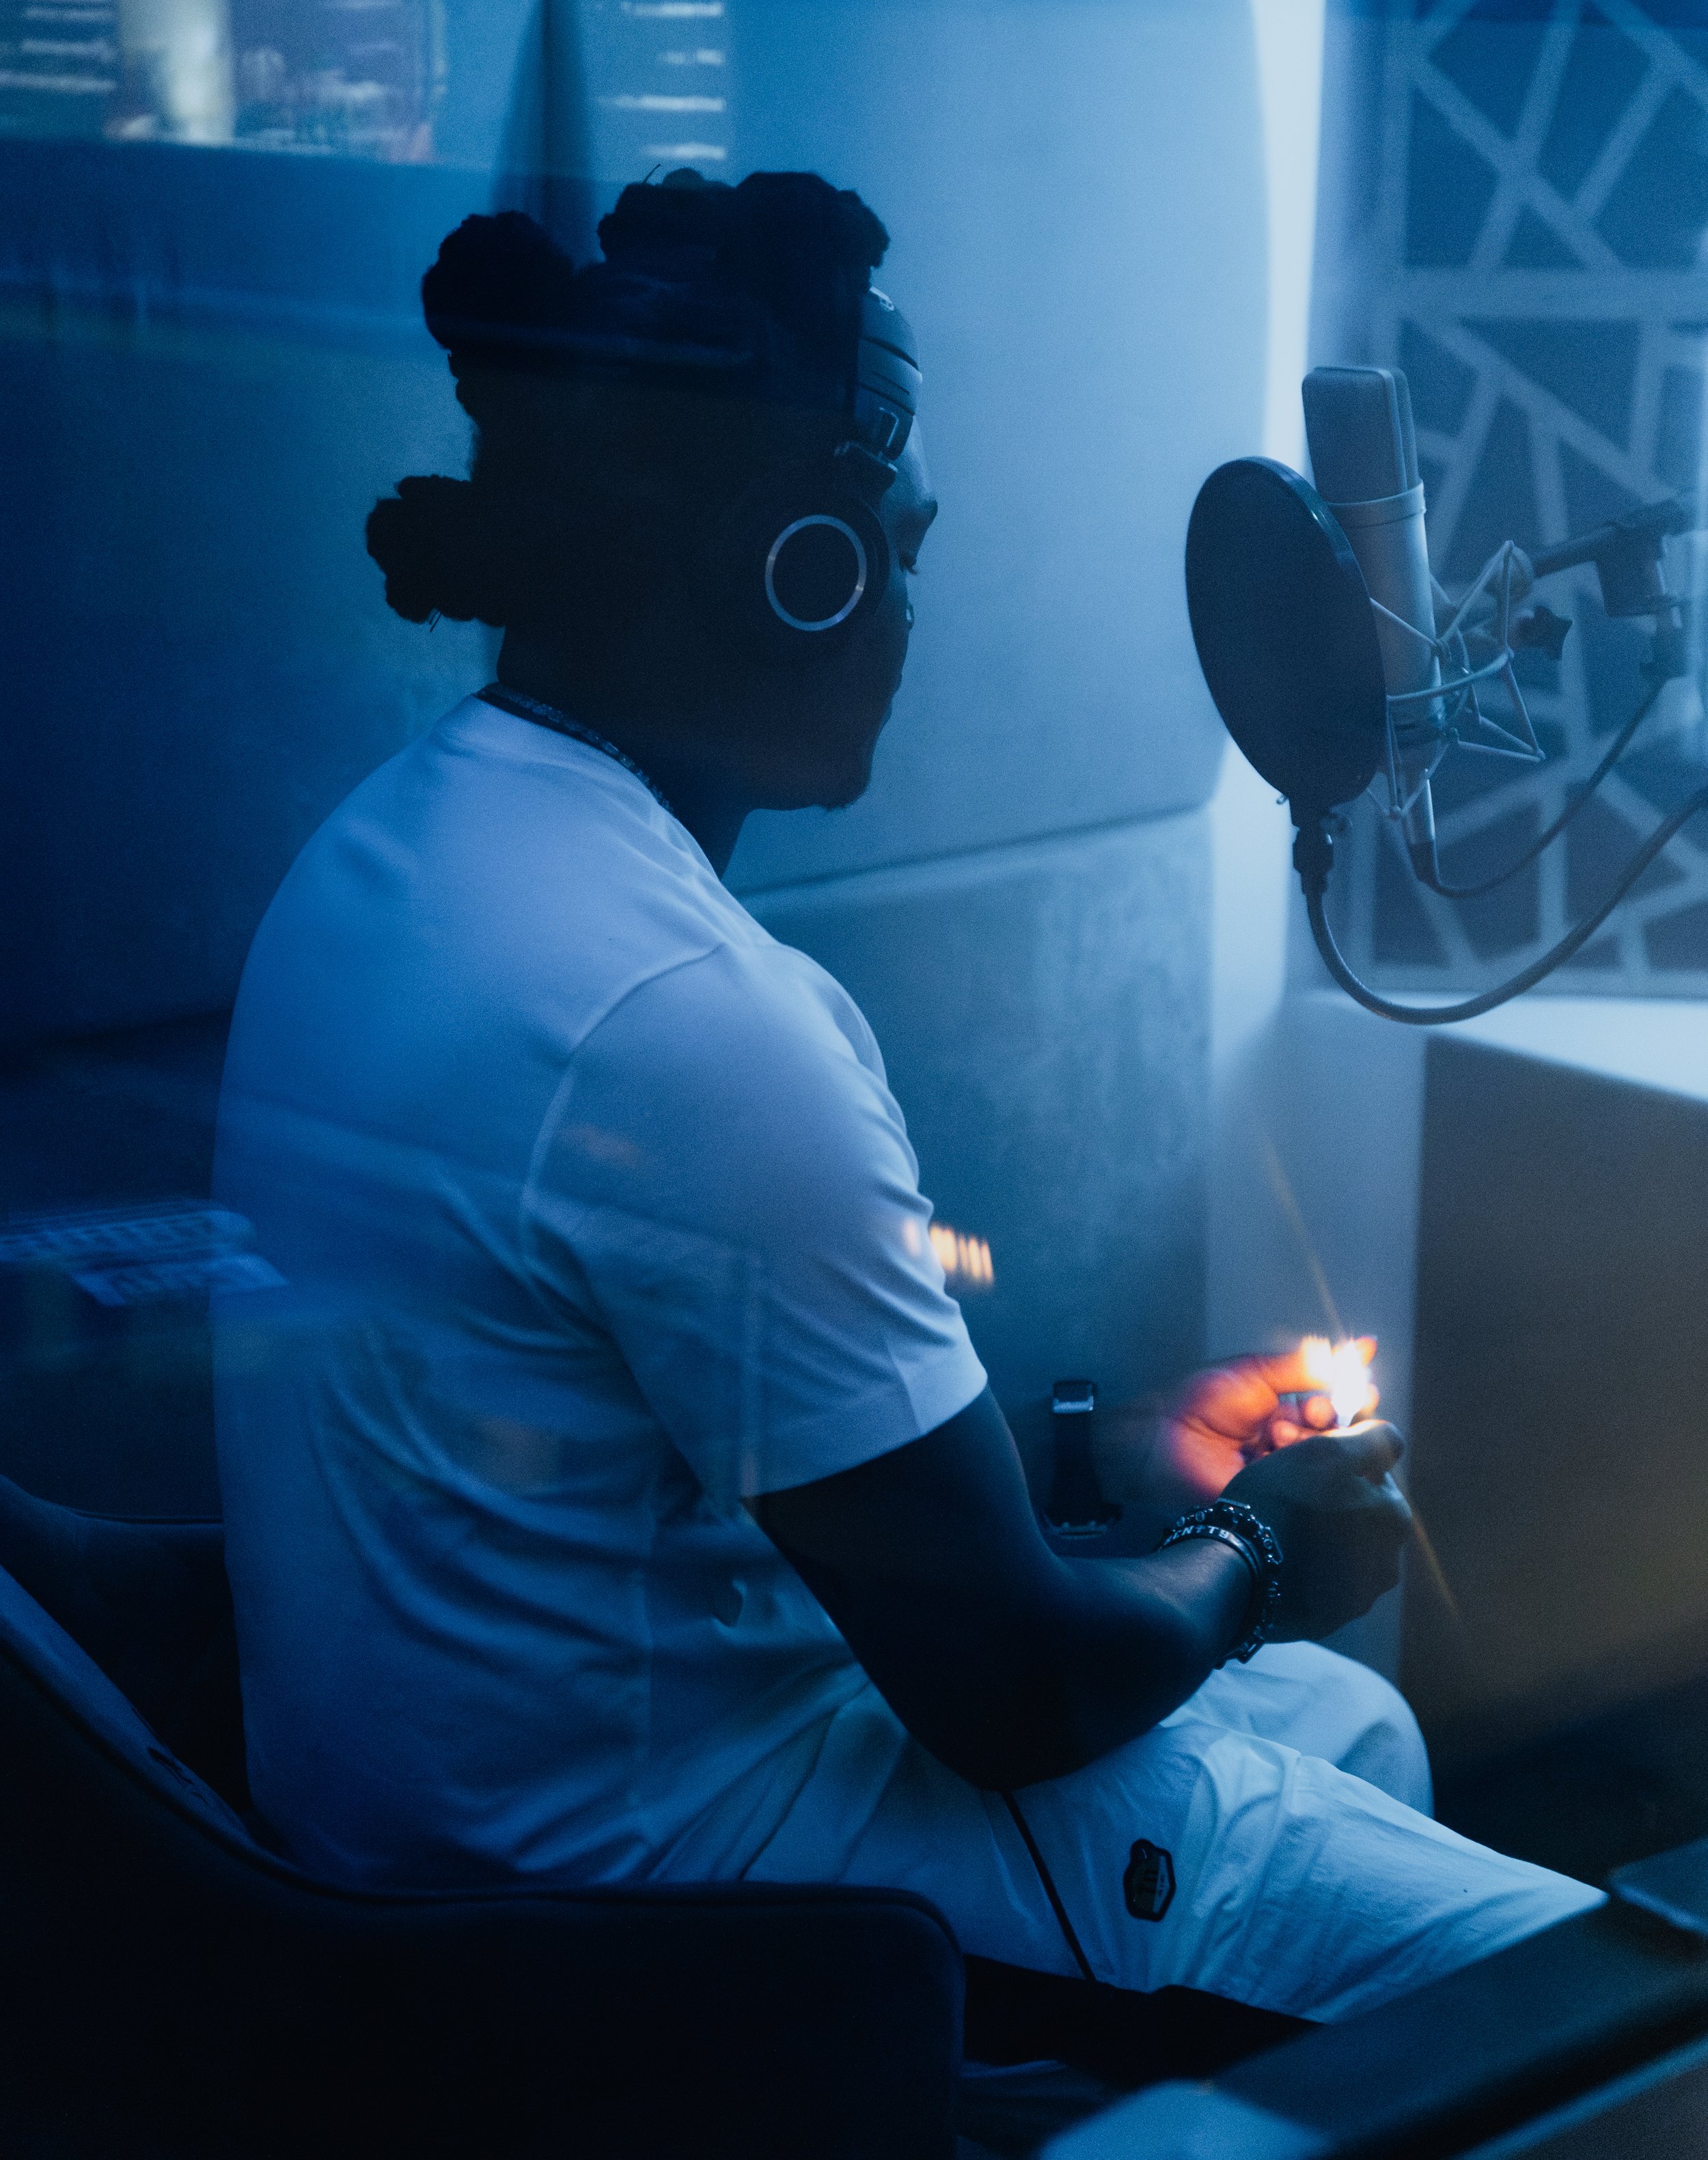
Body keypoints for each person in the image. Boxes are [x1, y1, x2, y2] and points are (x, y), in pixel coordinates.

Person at [211, 169, 1596, 2031]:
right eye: (901, 549)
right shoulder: (692, 1025)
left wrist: (1106, 1459)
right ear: (805, 569)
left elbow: (700, 1444)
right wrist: (1268, 1545)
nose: (911, 607)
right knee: (1577, 2013)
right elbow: (1017, 1688)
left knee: (1350, 1723)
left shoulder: (392, 860)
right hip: (659, 1908)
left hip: (444, 1828)